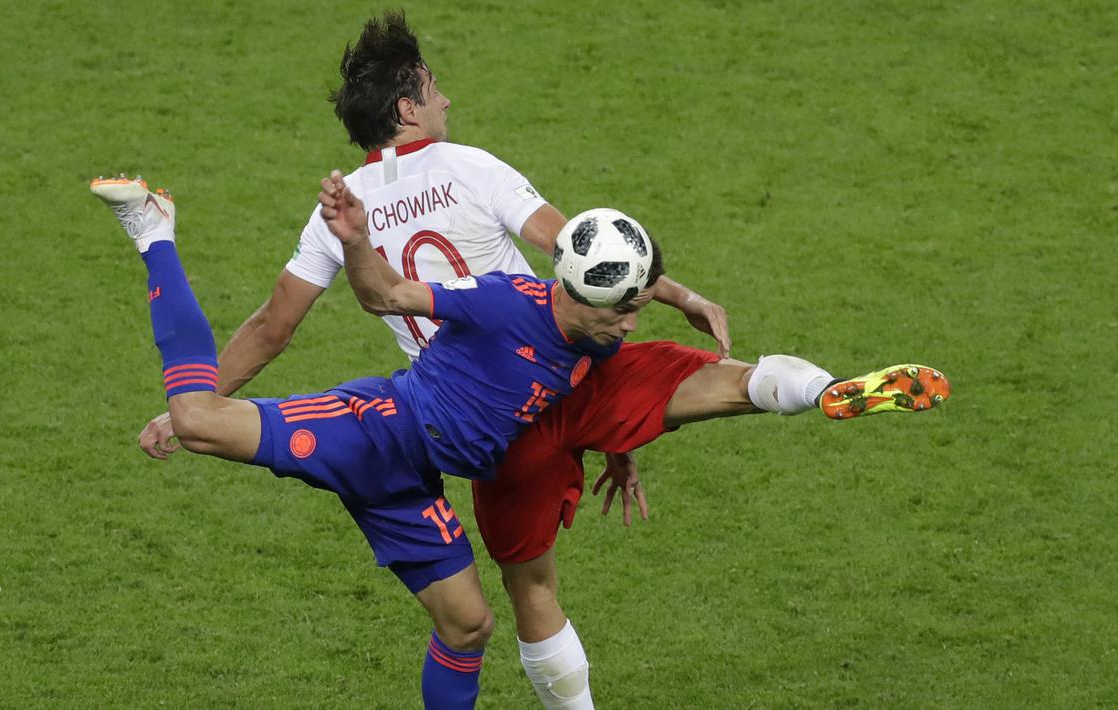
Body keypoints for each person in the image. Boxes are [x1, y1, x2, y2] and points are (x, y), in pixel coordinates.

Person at [131, 13, 950, 709]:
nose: (448, 97)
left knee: (526, 591)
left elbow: (275, 327)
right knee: (707, 382)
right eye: (437, 85)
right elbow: (584, 254)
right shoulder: (471, 167)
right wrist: (679, 295)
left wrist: (187, 409)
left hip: (476, 421)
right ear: (410, 103)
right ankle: (813, 388)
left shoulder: (338, 212)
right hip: (566, 365)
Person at [92, 170, 665, 708]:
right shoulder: (506, 299)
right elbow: (389, 296)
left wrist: (619, 450)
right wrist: (357, 240)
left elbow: (593, 395)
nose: (632, 325)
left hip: (410, 485)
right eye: (624, 310)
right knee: (195, 420)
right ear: (580, 290)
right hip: (377, 430)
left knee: (467, 624)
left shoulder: (596, 337)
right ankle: (153, 230)